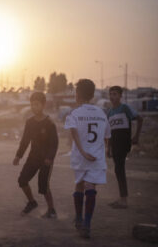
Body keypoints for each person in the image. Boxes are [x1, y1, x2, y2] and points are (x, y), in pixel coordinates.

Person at [64, 79, 111, 239]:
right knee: (91, 187)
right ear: (92, 94)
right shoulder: (102, 113)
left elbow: (74, 134)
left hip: (81, 157)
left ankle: (78, 219)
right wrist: (106, 151)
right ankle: (87, 224)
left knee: (79, 186)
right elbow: (106, 136)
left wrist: (83, 152)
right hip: (96, 157)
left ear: (78, 94)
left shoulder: (74, 113)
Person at [13, 92, 58, 218]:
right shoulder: (29, 122)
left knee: (43, 186)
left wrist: (50, 157)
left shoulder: (49, 123)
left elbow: (54, 143)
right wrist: (18, 156)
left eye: (37, 105)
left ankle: (51, 209)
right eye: (32, 105)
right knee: (22, 180)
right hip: (33, 157)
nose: (34, 107)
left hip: (46, 160)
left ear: (43, 105)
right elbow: (25, 140)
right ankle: (32, 202)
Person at [107, 86, 143, 209]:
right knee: (118, 170)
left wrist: (136, 136)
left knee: (119, 169)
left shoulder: (125, 108)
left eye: (115, 94)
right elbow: (110, 133)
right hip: (115, 144)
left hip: (123, 142)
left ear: (120, 96)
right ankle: (122, 198)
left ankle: (124, 200)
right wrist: (108, 148)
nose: (112, 97)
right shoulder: (110, 112)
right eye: (110, 94)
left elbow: (139, 119)